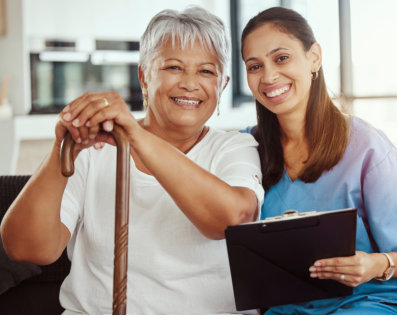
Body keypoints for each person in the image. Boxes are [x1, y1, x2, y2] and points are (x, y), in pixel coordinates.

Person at [1, 7, 264, 314]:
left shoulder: (234, 147)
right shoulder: (94, 151)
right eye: (174, 67)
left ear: (222, 85)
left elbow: (231, 220)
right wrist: (63, 149)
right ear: (143, 76)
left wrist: (136, 137)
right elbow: (26, 249)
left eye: (206, 71)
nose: (190, 83)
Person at [240, 6, 397, 315]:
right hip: (293, 309)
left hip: (377, 299)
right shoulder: (245, 149)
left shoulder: (366, 145)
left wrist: (374, 264)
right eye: (254, 66)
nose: (269, 76)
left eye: (281, 58)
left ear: (314, 58)